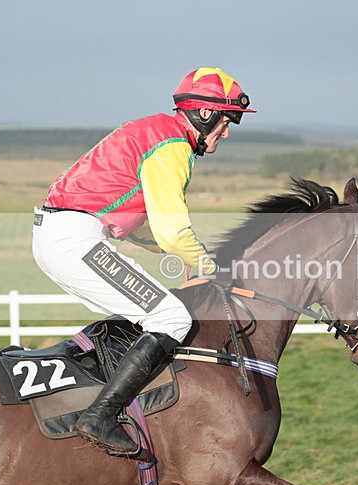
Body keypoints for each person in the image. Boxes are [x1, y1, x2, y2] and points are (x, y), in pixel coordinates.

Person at [32, 67, 255, 457]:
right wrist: (209, 268)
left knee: (148, 312)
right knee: (171, 318)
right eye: (227, 119)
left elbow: (139, 229)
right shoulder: (173, 145)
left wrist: (190, 259)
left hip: (63, 235)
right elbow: (171, 232)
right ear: (205, 114)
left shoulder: (154, 130)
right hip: (73, 239)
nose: (228, 131)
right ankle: (100, 415)